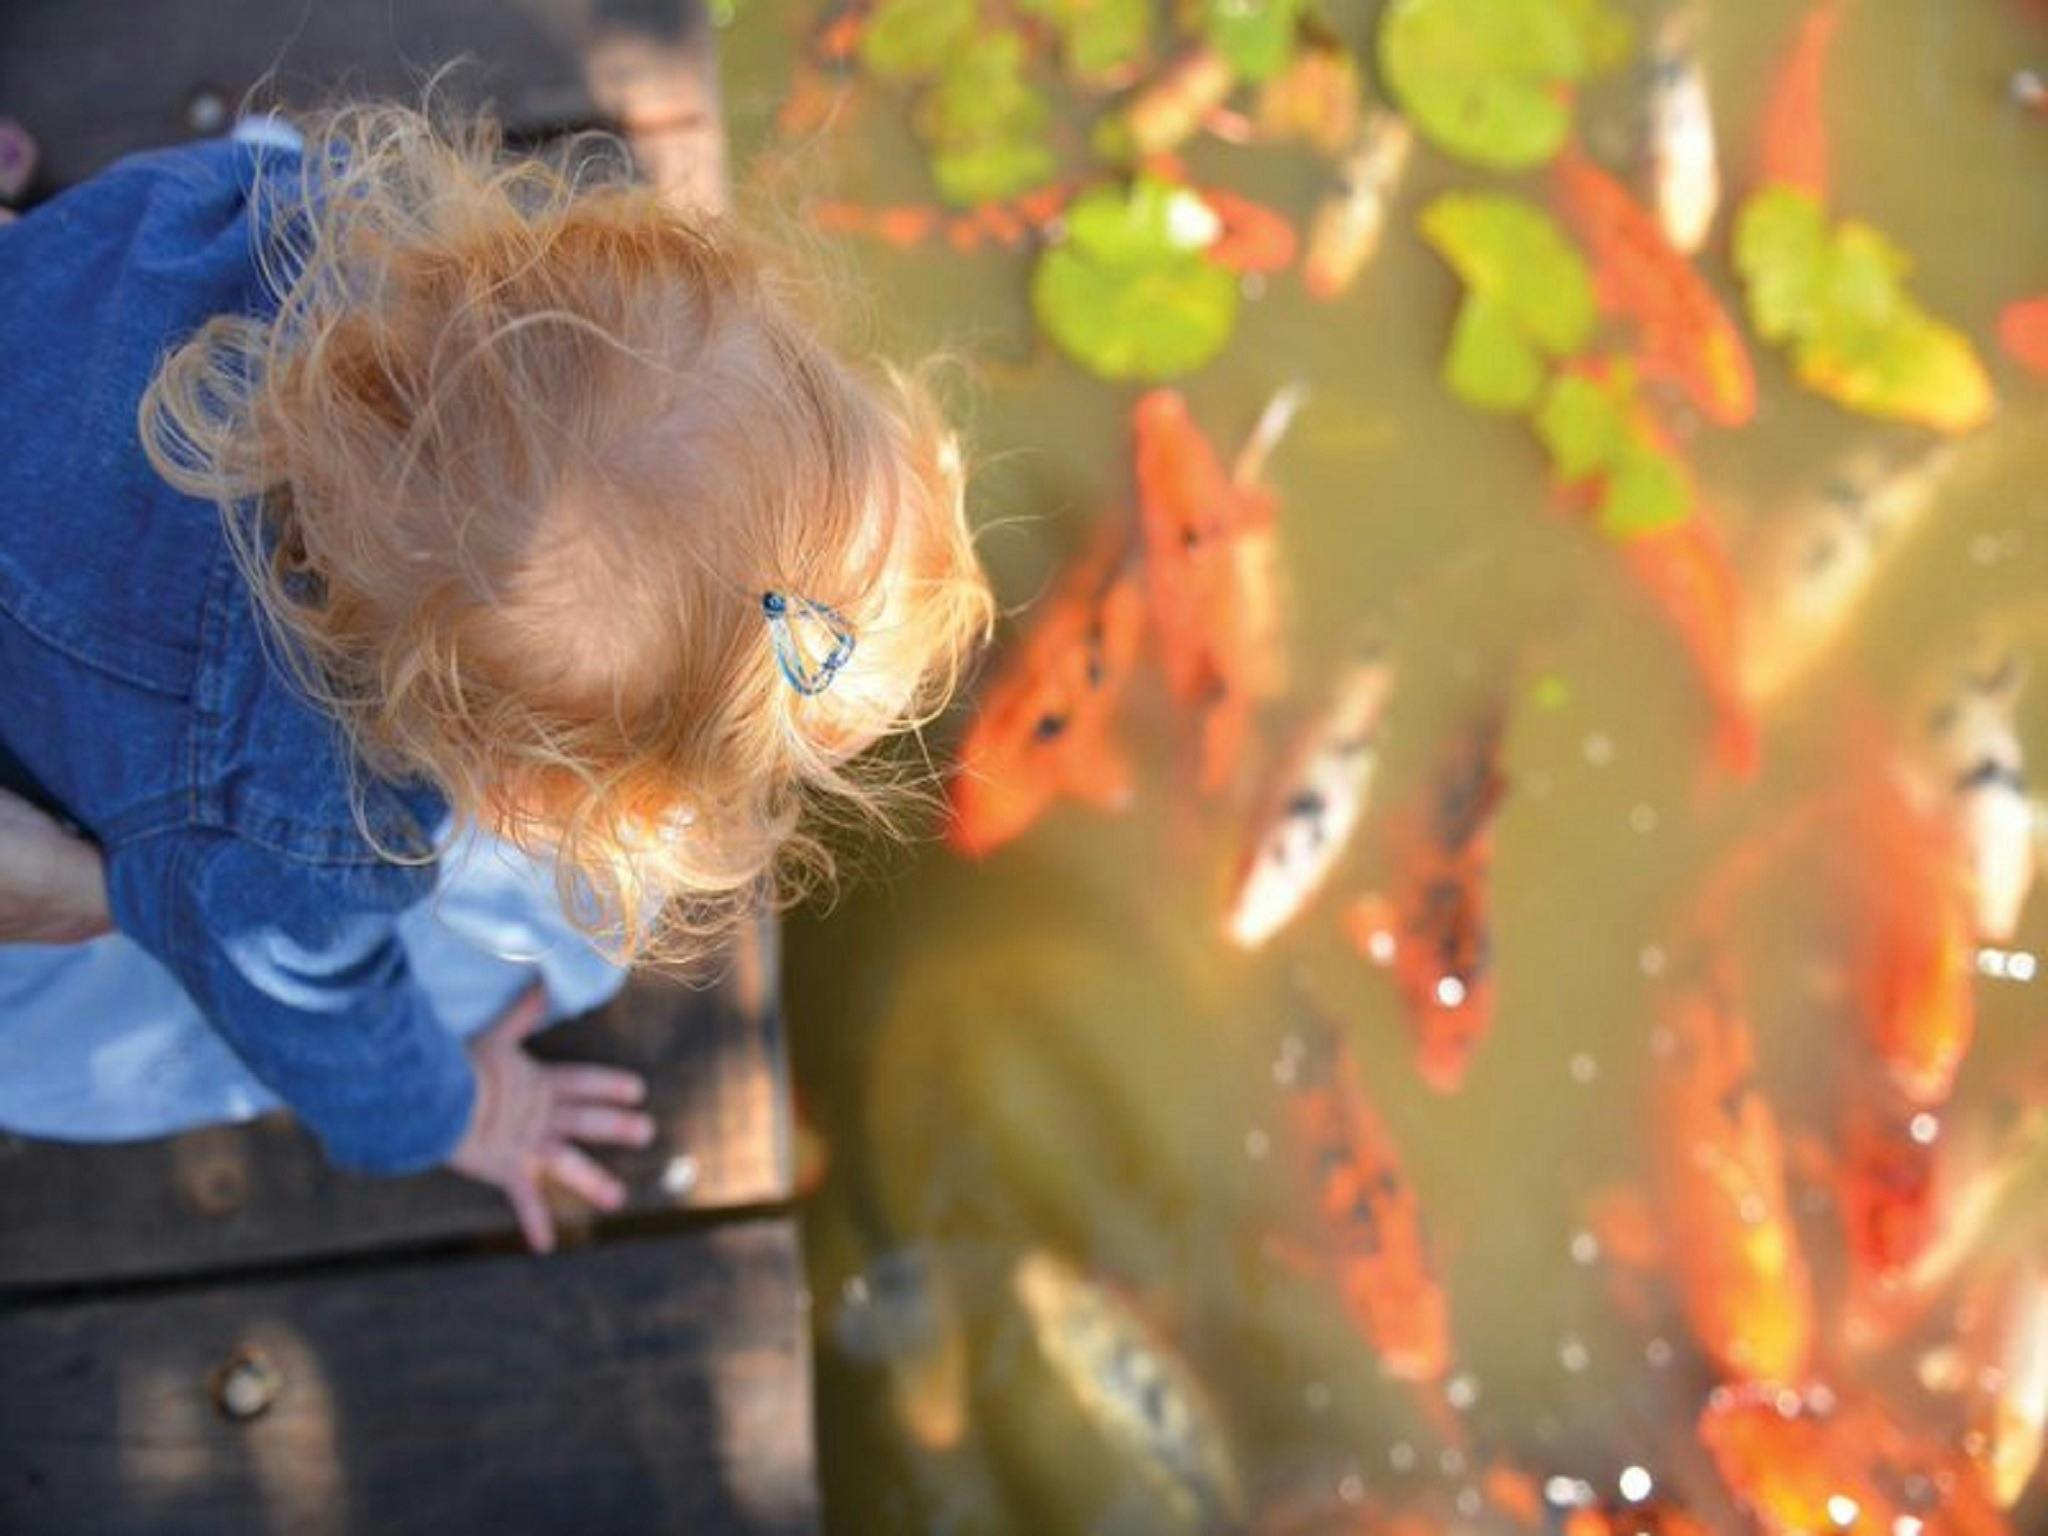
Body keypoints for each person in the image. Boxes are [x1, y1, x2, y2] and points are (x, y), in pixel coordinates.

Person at [0, 104, 991, 1249]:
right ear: (523, 796)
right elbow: (315, 1014)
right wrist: (458, 1112)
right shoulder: (298, 826)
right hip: (86, 775)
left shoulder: (266, 215)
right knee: (562, 948)